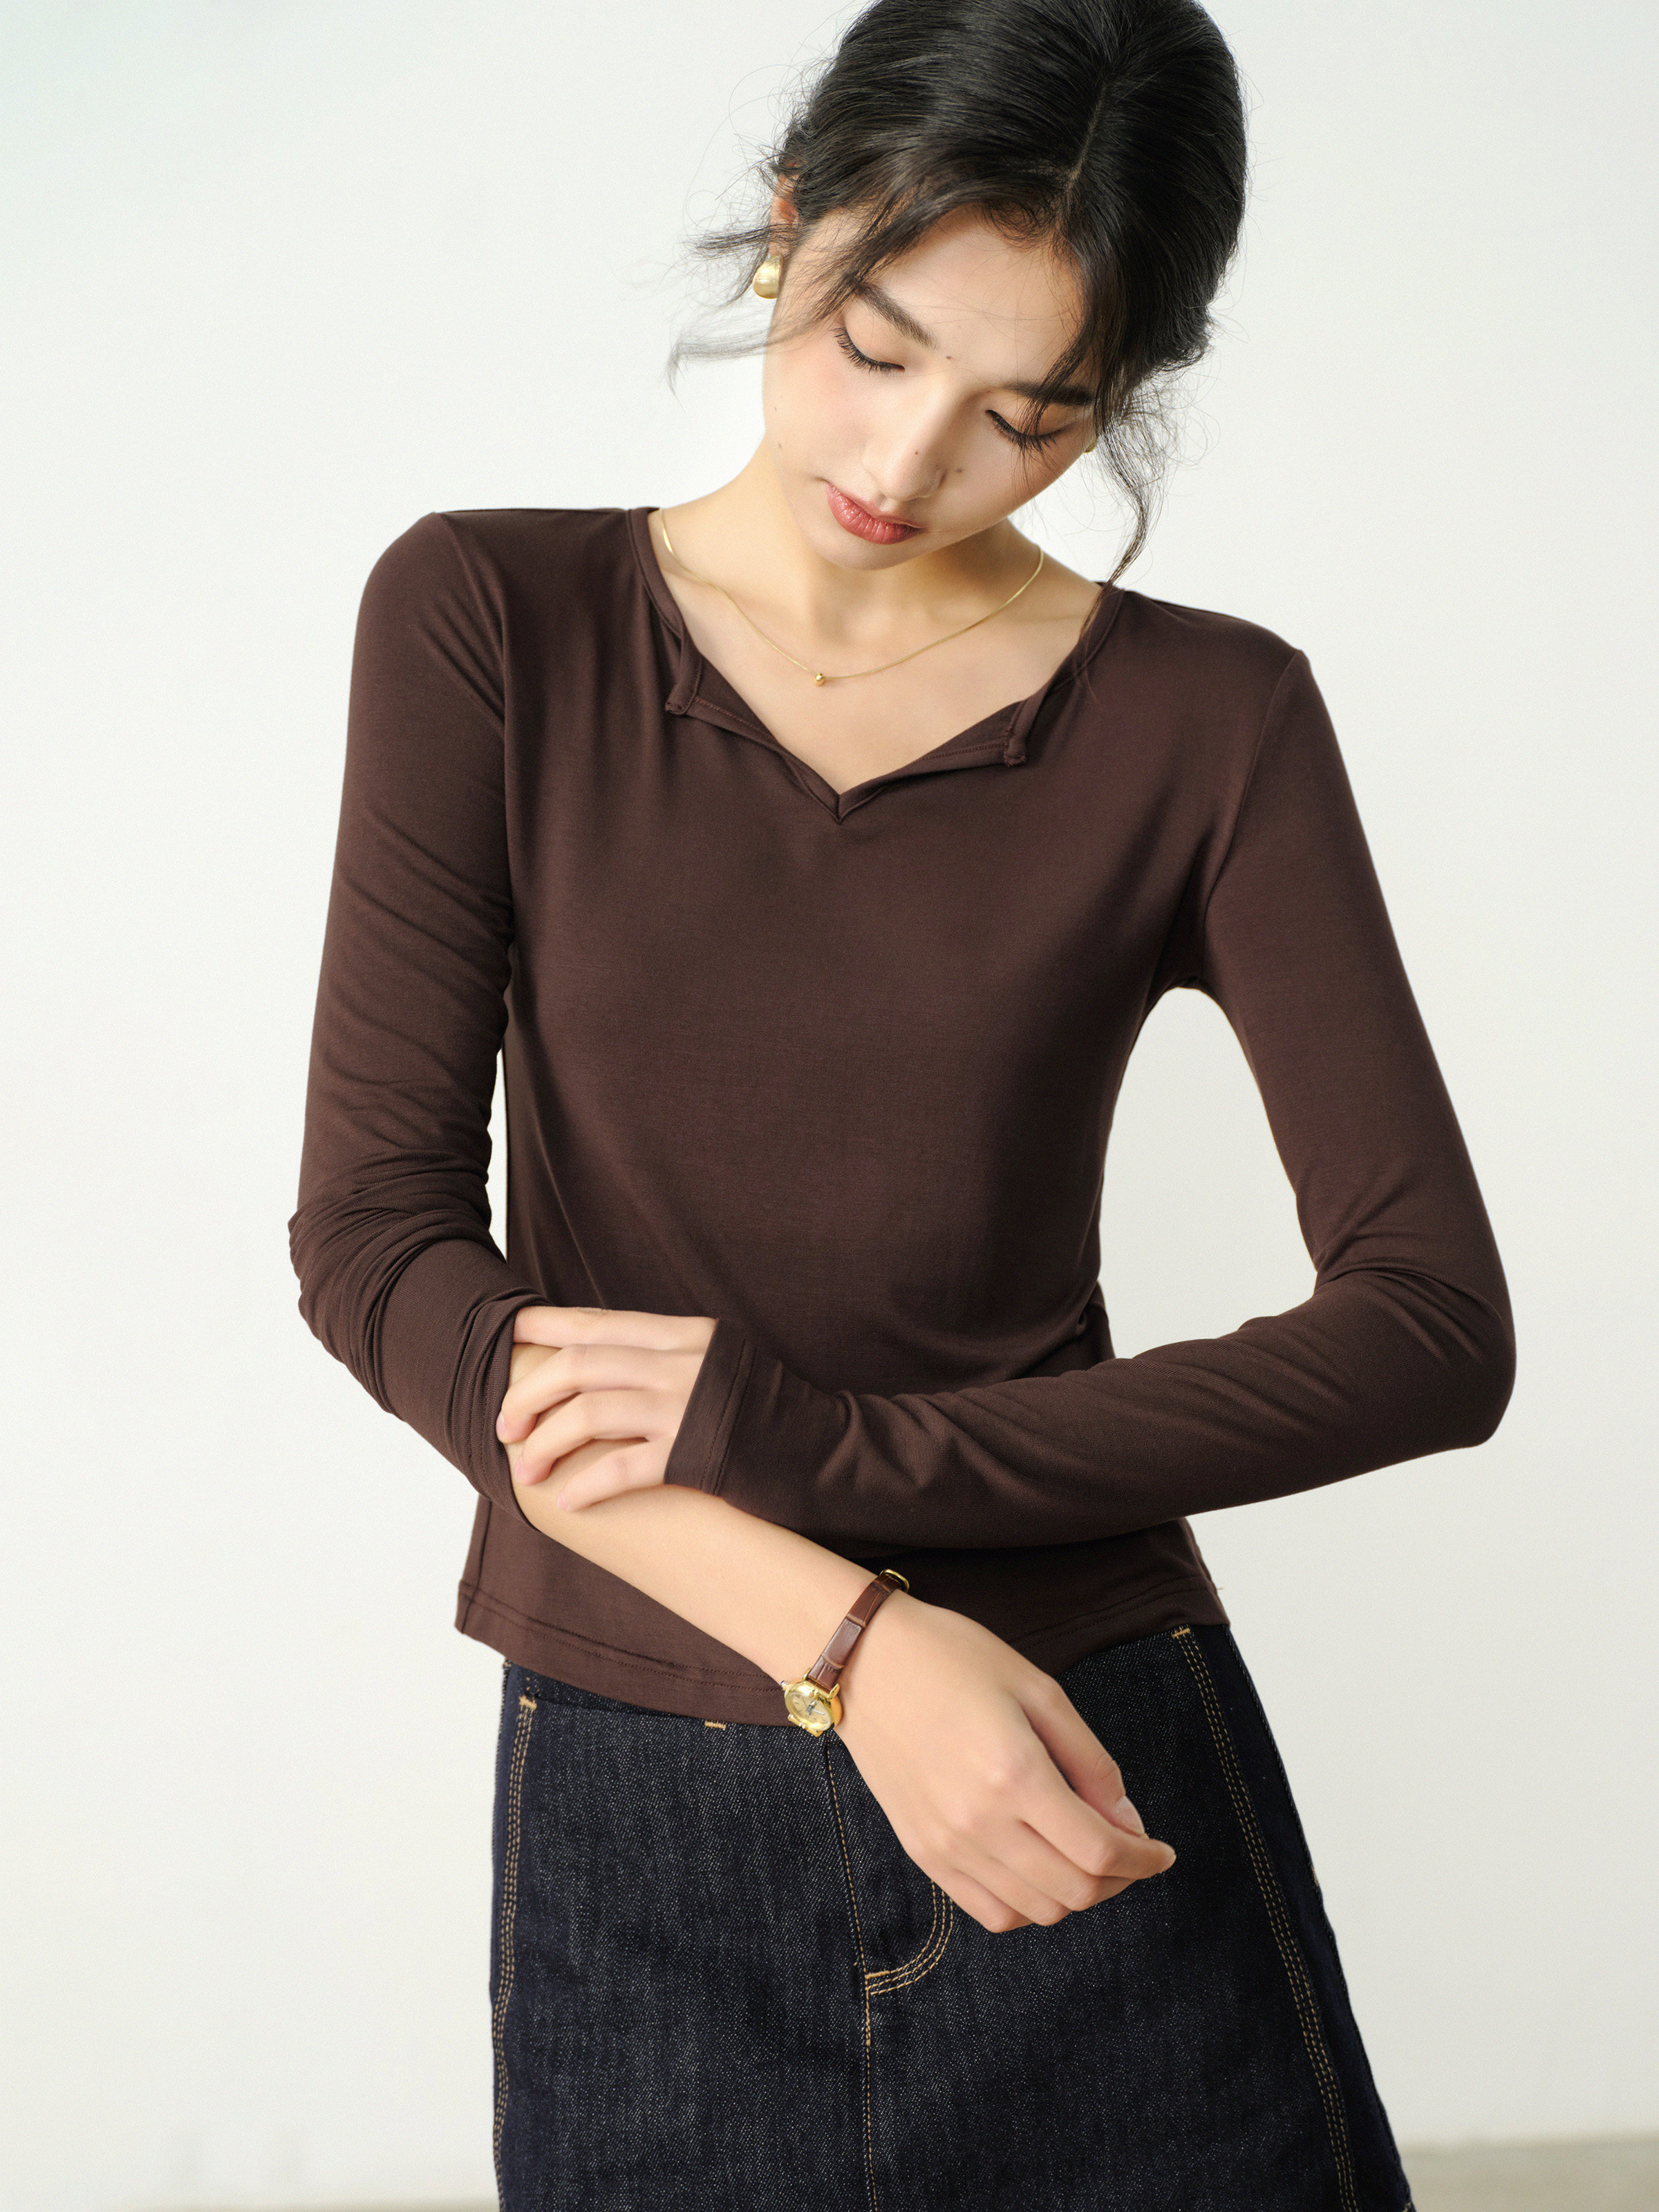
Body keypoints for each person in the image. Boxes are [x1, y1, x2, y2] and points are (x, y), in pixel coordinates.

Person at [288, 0, 1515, 2204]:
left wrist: (833, 1454)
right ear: (794, 222)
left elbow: (1431, 1326)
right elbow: (379, 1249)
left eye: (1029, 416)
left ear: (1122, 399)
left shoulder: (1211, 722)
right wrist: (855, 1641)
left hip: (1083, 1746)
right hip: (651, 1792)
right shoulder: (493, 619)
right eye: (876, 344)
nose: (906, 458)